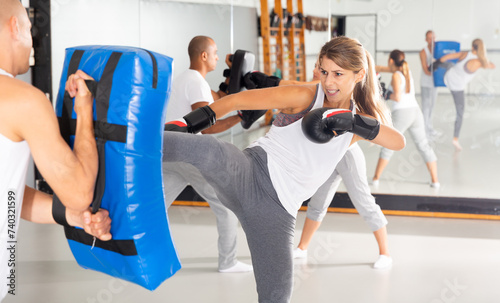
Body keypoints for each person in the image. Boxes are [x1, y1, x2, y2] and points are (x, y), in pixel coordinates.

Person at [163, 36, 405, 302]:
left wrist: (352, 122)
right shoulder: (306, 94)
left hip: (278, 213)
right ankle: (125, 143)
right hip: (250, 173)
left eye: (338, 74)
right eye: (324, 71)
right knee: (208, 150)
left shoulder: (357, 122)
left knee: (277, 295)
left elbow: (398, 142)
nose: (329, 81)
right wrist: (190, 124)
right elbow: (237, 100)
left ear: (359, 75)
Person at [0, 0, 112, 300]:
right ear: (14, 27)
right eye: (28, 28)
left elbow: (9, 195)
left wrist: (73, 217)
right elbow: (79, 192)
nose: (32, 40)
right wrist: (85, 109)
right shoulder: (24, 100)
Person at [163, 35, 252, 273]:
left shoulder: (184, 78)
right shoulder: (196, 82)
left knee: (157, 206)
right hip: (189, 154)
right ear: (203, 56)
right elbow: (207, 125)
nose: (216, 57)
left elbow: (219, 99)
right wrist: (240, 118)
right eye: (214, 53)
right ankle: (229, 261)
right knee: (227, 206)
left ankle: (140, 251)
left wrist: (234, 77)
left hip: (169, 151)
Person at [372, 50, 439, 188]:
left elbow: (397, 97)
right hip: (416, 112)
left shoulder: (396, 75)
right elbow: (382, 69)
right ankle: (435, 181)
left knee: (388, 144)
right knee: (423, 145)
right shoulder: (405, 72)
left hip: (403, 113)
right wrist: (374, 69)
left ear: (391, 61)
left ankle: (375, 179)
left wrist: (385, 93)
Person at [437, 38, 496, 151]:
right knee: (460, 112)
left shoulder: (464, 54)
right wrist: (484, 56)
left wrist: (437, 63)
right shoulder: (479, 62)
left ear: (472, 47)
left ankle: (432, 67)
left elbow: (444, 58)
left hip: (448, 77)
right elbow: (492, 66)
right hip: (457, 87)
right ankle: (455, 139)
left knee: (449, 64)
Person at [419, 30, 440, 141]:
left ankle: (430, 128)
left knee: (432, 106)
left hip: (435, 83)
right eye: (429, 38)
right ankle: (424, 130)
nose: (432, 40)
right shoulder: (424, 51)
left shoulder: (438, 50)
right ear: (426, 39)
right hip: (426, 83)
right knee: (426, 107)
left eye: (433, 38)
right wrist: (436, 67)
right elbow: (426, 70)